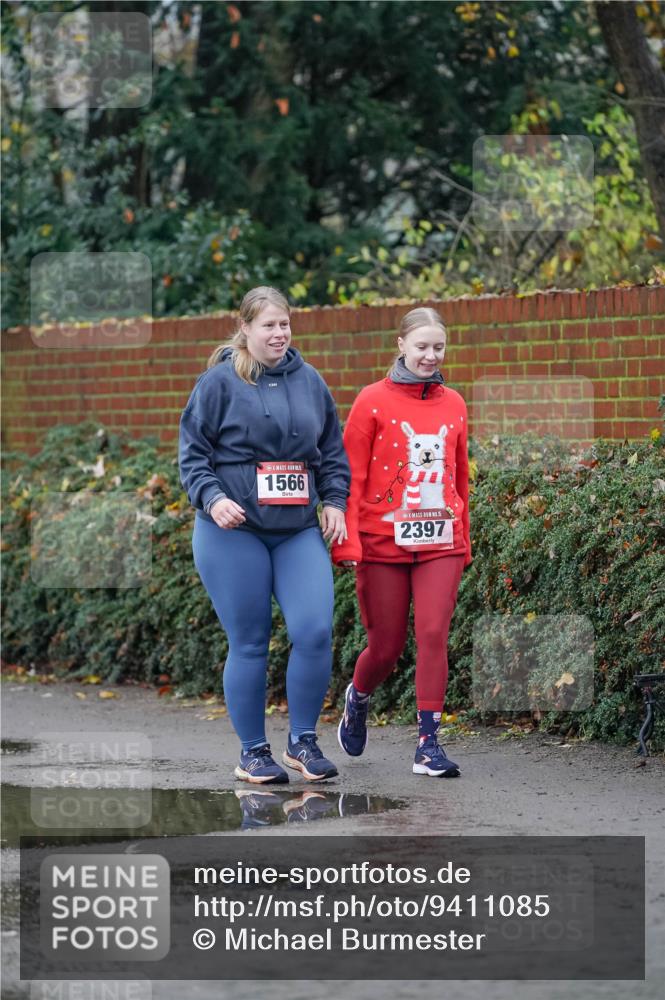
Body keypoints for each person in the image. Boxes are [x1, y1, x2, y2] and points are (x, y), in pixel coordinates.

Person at [179, 286, 350, 785]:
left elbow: (331, 453)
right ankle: (253, 752)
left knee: (315, 631)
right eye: (269, 325)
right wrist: (213, 498)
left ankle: (302, 742)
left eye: (285, 324)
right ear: (246, 329)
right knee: (251, 641)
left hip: (295, 529)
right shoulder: (217, 384)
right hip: (232, 530)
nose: (279, 334)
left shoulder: (310, 380)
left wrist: (334, 501)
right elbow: (193, 455)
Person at [332, 307, 472, 777]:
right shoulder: (371, 401)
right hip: (382, 541)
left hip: (440, 539)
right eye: (421, 347)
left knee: (433, 634)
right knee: (386, 648)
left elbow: (460, 476)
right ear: (401, 346)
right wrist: (347, 543)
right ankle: (359, 695)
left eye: (438, 348)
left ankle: (428, 745)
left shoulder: (454, 403)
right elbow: (349, 477)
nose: (430, 356)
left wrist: (463, 538)